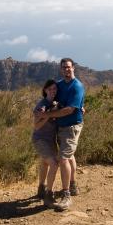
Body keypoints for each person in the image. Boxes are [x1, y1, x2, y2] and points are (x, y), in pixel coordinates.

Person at [41, 57, 84, 208]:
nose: (67, 69)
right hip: (60, 127)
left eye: (69, 67)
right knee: (69, 156)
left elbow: (69, 110)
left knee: (64, 158)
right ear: (61, 69)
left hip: (72, 127)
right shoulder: (59, 85)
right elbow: (51, 98)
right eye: (64, 67)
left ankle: (66, 195)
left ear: (74, 68)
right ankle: (72, 185)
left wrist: (48, 115)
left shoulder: (77, 86)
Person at [31, 80, 62, 209]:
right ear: (45, 90)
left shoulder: (57, 103)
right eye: (50, 89)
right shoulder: (41, 105)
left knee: (45, 163)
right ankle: (49, 194)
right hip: (40, 139)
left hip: (51, 140)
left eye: (54, 89)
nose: (52, 91)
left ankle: (41, 188)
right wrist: (48, 116)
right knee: (54, 164)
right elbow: (36, 126)